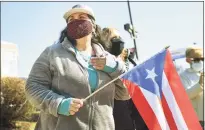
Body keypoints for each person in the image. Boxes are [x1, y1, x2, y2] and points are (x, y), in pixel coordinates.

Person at [25, 4, 130, 130]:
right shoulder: (52, 53)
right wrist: (58, 104)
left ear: (93, 26)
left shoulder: (109, 59)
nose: (76, 21)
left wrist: (114, 68)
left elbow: (126, 93)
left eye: (81, 17)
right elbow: (33, 86)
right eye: (71, 20)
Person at [101, 27, 148, 130]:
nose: (118, 41)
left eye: (119, 37)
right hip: (118, 116)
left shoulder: (131, 62)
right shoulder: (101, 65)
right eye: (113, 38)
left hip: (137, 116)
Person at [179, 46, 204, 128]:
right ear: (188, 60)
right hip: (197, 119)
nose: (200, 62)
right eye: (196, 59)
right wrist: (199, 85)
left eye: (202, 59)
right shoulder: (183, 76)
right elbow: (184, 96)